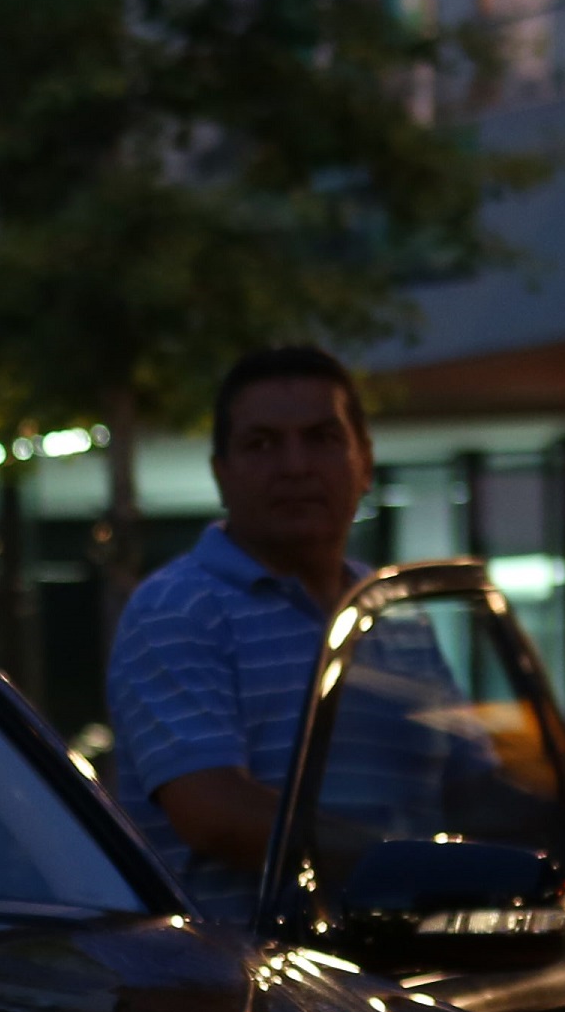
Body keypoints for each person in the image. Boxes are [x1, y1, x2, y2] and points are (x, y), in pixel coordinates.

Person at [103, 345, 385, 922]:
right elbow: (215, 815)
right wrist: (403, 865)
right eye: (262, 444)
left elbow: (468, 784)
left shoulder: (396, 615)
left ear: (365, 463)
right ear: (220, 474)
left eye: (321, 438)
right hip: (243, 996)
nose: (295, 466)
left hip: (416, 980)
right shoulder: (178, 609)